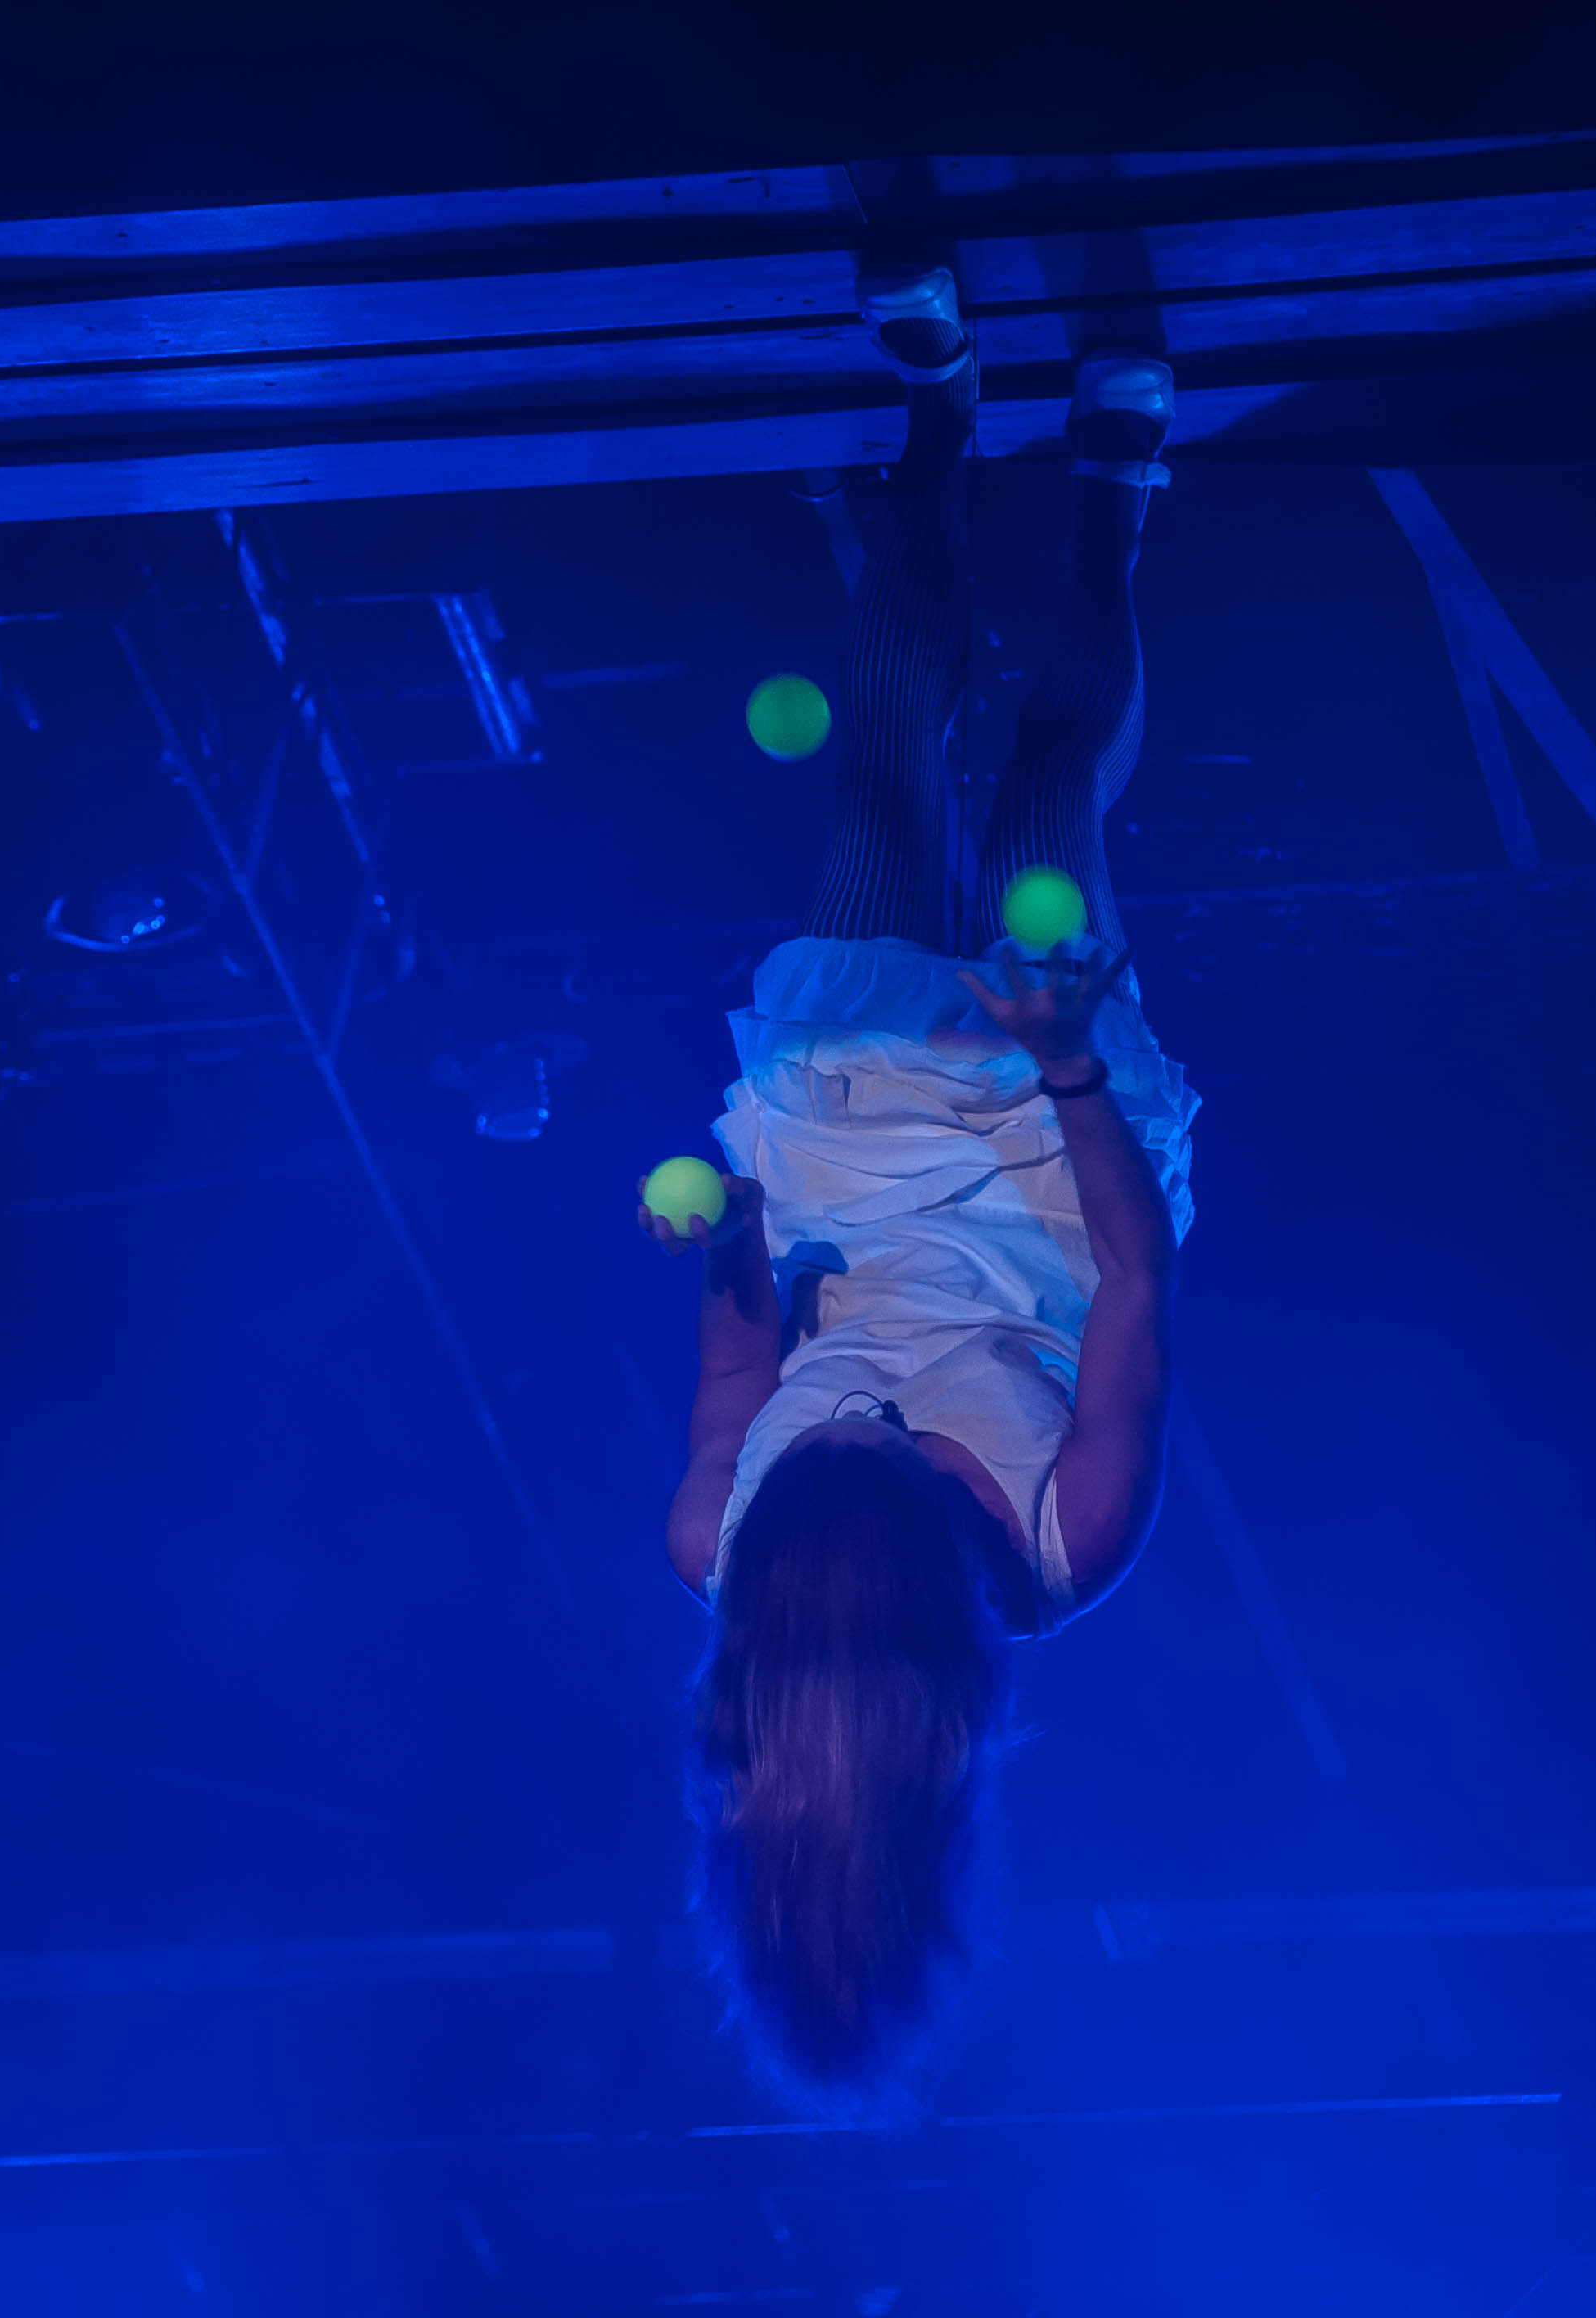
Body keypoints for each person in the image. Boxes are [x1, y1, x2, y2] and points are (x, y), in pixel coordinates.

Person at [641, 265, 1199, 2112]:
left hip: (845, 1149)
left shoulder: (717, 1554)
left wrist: (718, 1226)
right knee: (1043, 800)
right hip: (1047, 1166)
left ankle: (941, 421)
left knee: (879, 787)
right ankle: (1113, 493)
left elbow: (742, 1365)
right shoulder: (1064, 1542)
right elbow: (1137, 1282)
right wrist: (1065, 1057)